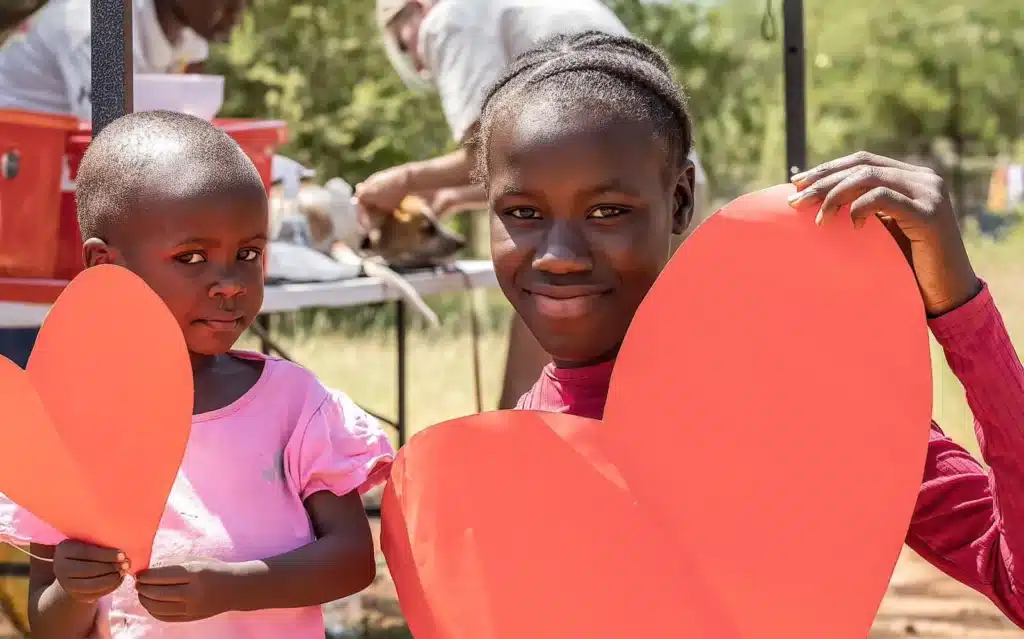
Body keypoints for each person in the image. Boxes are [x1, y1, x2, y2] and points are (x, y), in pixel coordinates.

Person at [479, 30, 1024, 627]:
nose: (558, 254)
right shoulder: (505, 465)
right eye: (522, 214)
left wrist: (961, 311)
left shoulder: (799, 392)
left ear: (681, 199)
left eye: (607, 211)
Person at [0, 111, 394, 638]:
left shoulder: (295, 406)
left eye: (248, 253)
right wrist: (73, 589)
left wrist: (233, 586)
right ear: (104, 266)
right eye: (192, 257)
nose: (230, 282)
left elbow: (351, 560)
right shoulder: (72, 427)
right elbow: (49, 627)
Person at [360, 0, 710, 409]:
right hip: (659, 195)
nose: (419, 66)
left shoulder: (449, 17)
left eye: (405, 45)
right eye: (523, 213)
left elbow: (486, 154)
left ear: (418, 8)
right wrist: (453, 196)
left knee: (536, 403)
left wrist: (400, 181)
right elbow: (556, 169)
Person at [0, 0, 248, 370]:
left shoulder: (188, 26)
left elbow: (189, 135)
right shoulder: (91, 25)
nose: (236, 10)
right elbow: (114, 147)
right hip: (20, 210)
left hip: (69, 202)